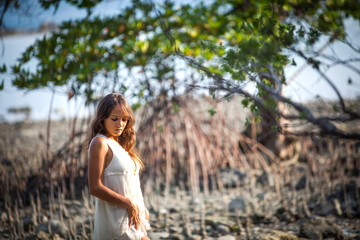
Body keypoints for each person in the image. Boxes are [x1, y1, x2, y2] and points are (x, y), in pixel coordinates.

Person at [84, 93, 151, 240]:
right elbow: (95, 187)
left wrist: (141, 207)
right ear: (103, 118)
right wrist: (129, 203)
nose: (120, 124)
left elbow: (129, 183)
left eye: (124, 119)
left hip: (133, 218)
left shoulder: (119, 144)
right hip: (116, 222)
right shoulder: (100, 143)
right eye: (114, 119)